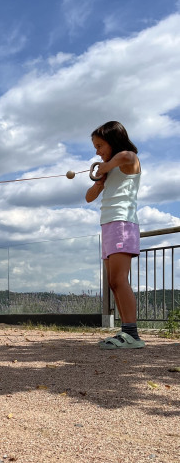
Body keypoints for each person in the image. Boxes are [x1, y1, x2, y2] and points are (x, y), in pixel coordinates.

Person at [86, 121, 145, 349]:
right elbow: (89, 197)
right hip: (109, 225)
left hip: (122, 222)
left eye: (100, 146)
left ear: (113, 141)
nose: (97, 152)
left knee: (119, 279)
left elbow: (127, 156)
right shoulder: (109, 170)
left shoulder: (128, 159)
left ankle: (132, 335)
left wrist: (105, 167)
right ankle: (126, 333)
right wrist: (100, 181)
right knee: (113, 282)